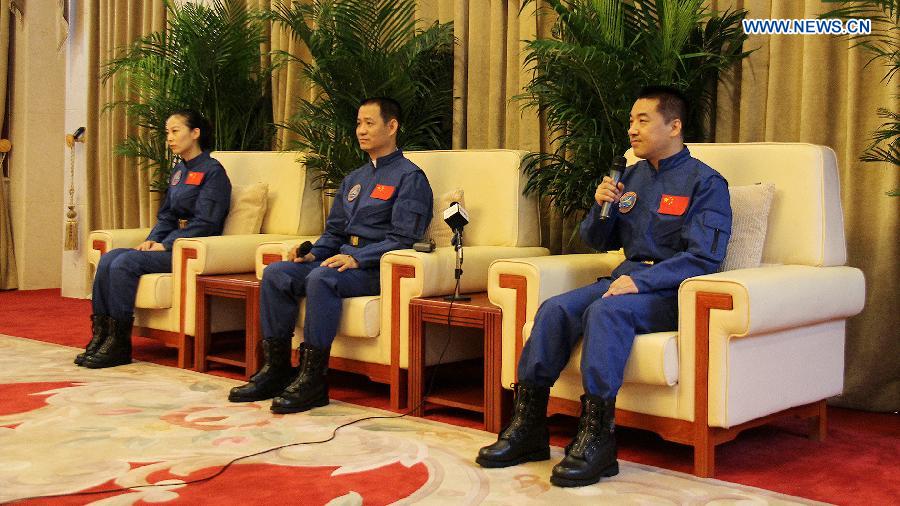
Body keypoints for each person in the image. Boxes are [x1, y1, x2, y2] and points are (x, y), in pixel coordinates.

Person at [475, 86, 733, 487]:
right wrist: (600, 206)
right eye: (630, 121)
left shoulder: (705, 182)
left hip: (670, 291)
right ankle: (528, 427)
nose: (632, 129)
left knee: (605, 312)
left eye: (642, 120)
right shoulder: (628, 176)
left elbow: (704, 258)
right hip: (623, 279)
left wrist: (642, 280)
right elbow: (597, 240)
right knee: (556, 308)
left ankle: (598, 438)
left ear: (675, 126)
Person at [228, 97, 434, 414]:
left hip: (374, 268)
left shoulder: (410, 178)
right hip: (340, 261)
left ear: (392, 127)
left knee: (323, 278)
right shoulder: (354, 179)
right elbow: (334, 232)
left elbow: (404, 237)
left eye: (369, 123)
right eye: (358, 123)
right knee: (277, 273)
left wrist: (358, 258)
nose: (361, 130)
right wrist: (312, 254)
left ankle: (313, 380)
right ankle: (277, 369)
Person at [77, 110, 232, 369]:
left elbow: (206, 222)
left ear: (195, 134)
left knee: (124, 264)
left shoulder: (213, 172)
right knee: (110, 259)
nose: (169, 138)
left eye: (175, 131)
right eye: (167, 133)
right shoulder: (179, 171)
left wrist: (167, 244)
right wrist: (151, 241)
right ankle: (103, 335)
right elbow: (166, 216)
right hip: (170, 243)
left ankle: (119, 344)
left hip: (191, 248)